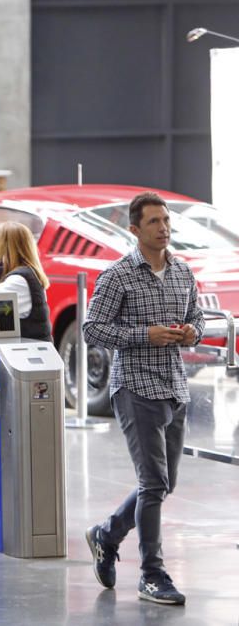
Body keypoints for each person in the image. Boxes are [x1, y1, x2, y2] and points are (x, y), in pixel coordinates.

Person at [82, 191, 204, 606]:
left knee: (162, 483)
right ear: (134, 230)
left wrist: (191, 332)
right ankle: (152, 574)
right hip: (134, 387)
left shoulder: (182, 271)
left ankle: (107, 533)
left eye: (166, 220)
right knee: (153, 482)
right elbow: (92, 329)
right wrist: (142, 335)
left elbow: (197, 318)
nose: (163, 228)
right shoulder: (117, 276)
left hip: (174, 385)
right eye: (153, 222)